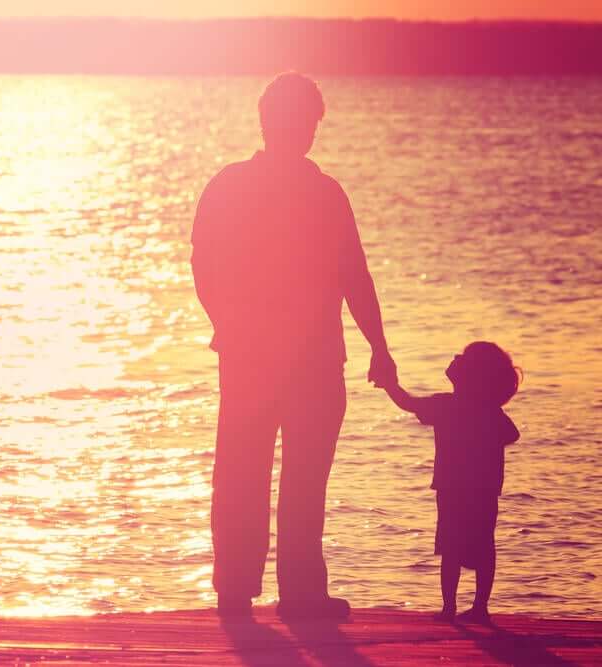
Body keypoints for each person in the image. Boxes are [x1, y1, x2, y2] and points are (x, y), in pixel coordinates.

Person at [191, 72, 397, 619]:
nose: (305, 132)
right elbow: (355, 275)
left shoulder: (243, 187)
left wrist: (378, 345)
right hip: (295, 358)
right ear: (297, 128)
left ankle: (247, 590)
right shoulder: (314, 193)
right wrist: (378, 347)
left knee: (250, 473)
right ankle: (289, 592)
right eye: (303, 121)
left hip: (274, 357)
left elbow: (203, 264)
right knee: (278, 476)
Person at [384, 341, 521, 624]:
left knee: (452, 546)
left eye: (463, 357)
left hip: (453, 488)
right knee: (483, 545)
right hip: (482, 489)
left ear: (472, 374)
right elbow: (511, 434)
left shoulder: (446, 405)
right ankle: (479, 607)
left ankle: (450, 608)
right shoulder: (485, 410)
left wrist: (389, 383)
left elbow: (407, 403)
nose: (456, 358)